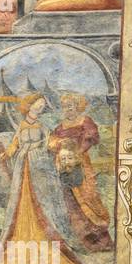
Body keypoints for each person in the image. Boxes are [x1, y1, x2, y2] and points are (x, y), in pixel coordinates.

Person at [0, 94, 84, 264]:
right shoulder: (22, 126)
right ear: (29, 106)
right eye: (37, 105)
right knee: (22, 198)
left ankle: (45, 237)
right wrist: (5, 155)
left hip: (39, 165)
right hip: (23, 165)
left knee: (42, 199)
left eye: (42, 106)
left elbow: (50, 142)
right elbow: (14, 146)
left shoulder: (42, 127)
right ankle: (22, 234)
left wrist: (59, 143)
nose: (40, 108)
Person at [49, 94, 112, 250]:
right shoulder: (60, 126)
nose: (68, 110)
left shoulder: (85, 121)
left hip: (82, 164)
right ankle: (82, 242)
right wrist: (61, 144)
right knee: (71, 202)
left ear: (77, 106)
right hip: (65, 165)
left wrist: (77, 151)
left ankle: (100, 241)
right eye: (65, 107)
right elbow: (51, 142)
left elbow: (92, 136)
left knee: (89, 196)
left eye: (70, 106)